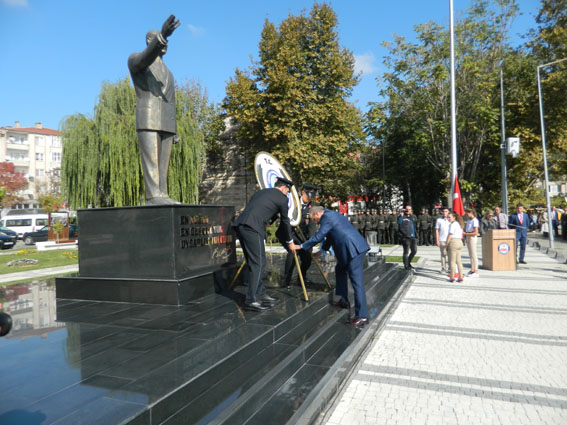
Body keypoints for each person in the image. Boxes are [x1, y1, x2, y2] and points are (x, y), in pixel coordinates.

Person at [128, 15, 181, 205]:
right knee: (151, 161)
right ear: (150, 41)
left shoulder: (169, 72)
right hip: (149, 117)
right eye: (159, 39)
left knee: (163, 164)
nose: (165, 43)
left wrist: (175, 129)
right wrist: (163, 35)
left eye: (165, 40)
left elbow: (171, 100)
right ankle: (153, 196)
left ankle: (163, 194)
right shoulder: (136, 60)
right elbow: (145, 57)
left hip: (167, 121)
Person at [291, 206, 370, 325]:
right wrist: (321, 251)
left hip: (353, 249)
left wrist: (301, 246)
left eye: (314, 219)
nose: (316, 222)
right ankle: (343, 300)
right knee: (340, 269)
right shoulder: (331, 215)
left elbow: (320, 236)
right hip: (350, 248)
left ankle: (362, 315)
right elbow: (330, 236)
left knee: (357, 282)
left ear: (317, 214)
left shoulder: (326, 217)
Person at [233, 177, 295, 311]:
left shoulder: (261, 192)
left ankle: (260, 293)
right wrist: (289, 241)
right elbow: (285, 221)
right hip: (253, 228)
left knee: (253, 262)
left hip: (240, 225)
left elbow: (263, 209)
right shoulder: (283, 199)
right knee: (259, 263)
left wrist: (269, 221)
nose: (287, 194)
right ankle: (252, 300)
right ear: (284, 188)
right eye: (288, 191)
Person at [282, 184, 318, 288]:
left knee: (307, 259)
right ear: (303, 192)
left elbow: (312, 226)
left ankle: (302, 276)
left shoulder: (313, 207)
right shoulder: (292, 202)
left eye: (313, 195)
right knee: (292, 257)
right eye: (309, 194)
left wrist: (311, 243)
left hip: (304, 237)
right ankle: (287, 279)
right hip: (292, 235)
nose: (310, 197)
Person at [398, 205, 418, 271]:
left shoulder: (412, 217)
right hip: (406, 237)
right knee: (406, 252)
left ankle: (408, 262)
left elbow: (415, 225)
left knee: (414, 251)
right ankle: (406, 265)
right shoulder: (402, 217)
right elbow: (399, 223)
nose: (408, 210)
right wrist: (401, 215)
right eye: (407, 209)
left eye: (409, 209)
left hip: (413, 237)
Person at [447, 212, 465, 282]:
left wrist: (447, 244)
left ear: (454, 217)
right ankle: (460, 277)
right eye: (448, 217)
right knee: (459, 261)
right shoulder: (459, 224)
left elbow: (450, 235)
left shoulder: (453, 224)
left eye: (449, 217)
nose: (448, 219)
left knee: (452, 261)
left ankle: (452, 277)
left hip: (453, 241)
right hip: (459, 241)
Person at [463, 207, 480, 278]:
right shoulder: (469, 220)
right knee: (470, 254)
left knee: (473, 254)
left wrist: (465, 234)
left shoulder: (475, 220)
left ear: (471, 213)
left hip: (472, 236)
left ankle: (476, 270)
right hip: (468, 236)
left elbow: (476, 232)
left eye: (467, 213)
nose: (466, 214)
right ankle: (472, 269)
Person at [434, 207, 450, 274]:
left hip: (450, 240)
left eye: (446, 211)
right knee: (443, 254)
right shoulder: (439, 220)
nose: (444, 212)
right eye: (443, 211)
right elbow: (437, 230)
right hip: (442, 239)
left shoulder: (451, 219)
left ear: (448, 212)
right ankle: (443, 268)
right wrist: (437, 240)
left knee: (450, 254)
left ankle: (450, 268)